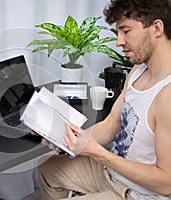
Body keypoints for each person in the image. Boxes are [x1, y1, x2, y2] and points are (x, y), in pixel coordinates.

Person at [37, 0, 171, 199]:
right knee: (48, 170)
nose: (119, 41)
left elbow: (166, 183)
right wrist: (69, 141)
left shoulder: (167, 97)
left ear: (156, 28)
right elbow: (110, 125)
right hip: (112, 172)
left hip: (137, 194)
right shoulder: (138, 71)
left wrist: (98, 153)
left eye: (126, 31)